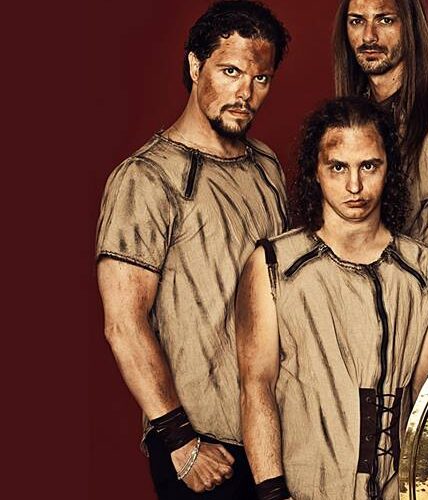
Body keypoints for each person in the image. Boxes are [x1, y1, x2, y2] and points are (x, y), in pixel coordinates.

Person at [95, 1, 290, 498]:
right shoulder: (145, 178)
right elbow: (124, 322)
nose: (245, 93)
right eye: (230, 71)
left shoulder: (267, 166)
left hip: (273, 440)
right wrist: (180, 442)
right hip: (201, 448)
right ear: (193, 66)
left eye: (261, 79)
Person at [236, 97, 428, 500]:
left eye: (369, 166)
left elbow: (427, 401)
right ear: (316, 172)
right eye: (338, 167)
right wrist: (272, 494)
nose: (355, 186)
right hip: (303, 489)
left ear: (389, 169)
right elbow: (256, 386)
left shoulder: (425, 272)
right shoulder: (275, 265)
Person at [332, 0, 428, 246]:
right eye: (357, 21)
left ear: (410, 26)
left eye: (385, 20)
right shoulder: (340, 124)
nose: (369, 36)